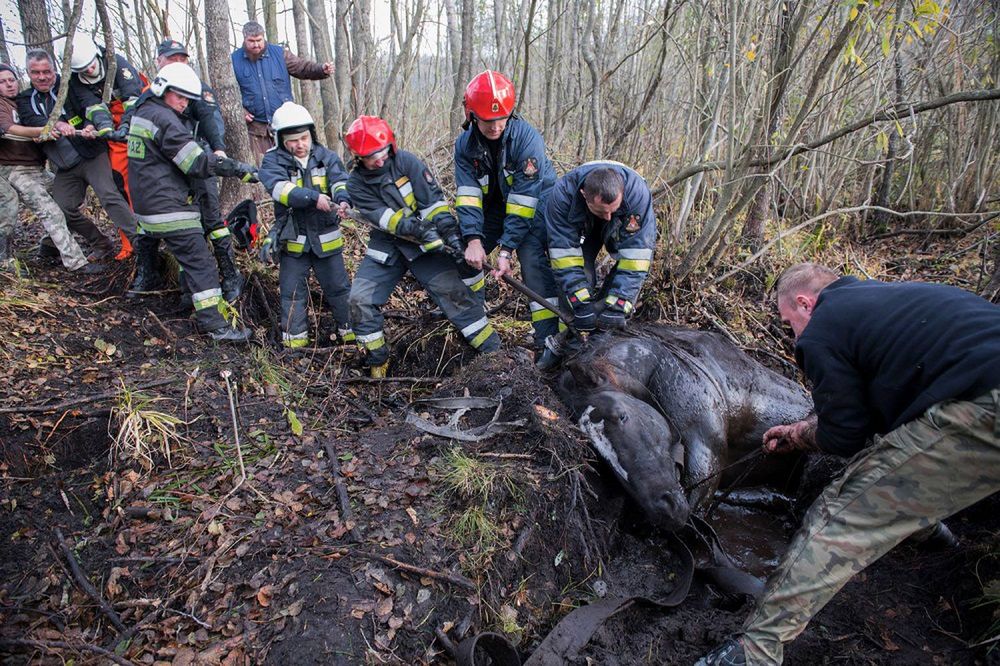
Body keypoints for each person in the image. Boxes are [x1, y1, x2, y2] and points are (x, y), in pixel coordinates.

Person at [696, 263, 1000, 666]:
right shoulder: (888, 300)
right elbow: (876, 415)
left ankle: (754, 651)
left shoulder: (823, 329)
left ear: (805, 303)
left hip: (984, 409)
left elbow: (845, 438)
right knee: (897, 458)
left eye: (789, 324)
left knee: (839, 516)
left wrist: (802, 437)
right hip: (982, 389)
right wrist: (802, 428)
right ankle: (932, 535)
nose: (793, 336)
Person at [343, 115, 499, 377]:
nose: (379, 160)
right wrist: (417, 229)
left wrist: (447, 231)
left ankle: (494, 355)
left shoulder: (407, 162)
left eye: (382, 152)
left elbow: (433, 203)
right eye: (371, 156)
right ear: (358, 157)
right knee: (359, 300)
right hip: (388, 248)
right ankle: (378, 360)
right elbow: (386, 220)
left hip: (426, 248)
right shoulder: (356, 184)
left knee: (456, 298)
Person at [126, 62, 257, 342]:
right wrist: (235, 168)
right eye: (180, 97)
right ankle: (216, 326)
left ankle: (188, 298)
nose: (184, 104)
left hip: (147, 209)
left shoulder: (142, 112)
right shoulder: (165, 120)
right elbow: (195, 162)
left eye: (188, 99)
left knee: (187, 254)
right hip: (168, 207)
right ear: (162, 89)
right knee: (202, 264)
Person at [454, 70, 561, 353]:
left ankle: (547, 342)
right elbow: (468, 196)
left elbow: (524, 200)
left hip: (535, 205)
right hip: (494, 208)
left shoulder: (528, 140)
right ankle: (474, 320)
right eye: (488, 120)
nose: (496, 126)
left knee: (533, 263)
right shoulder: (464, 146)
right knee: (464, 258)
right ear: (471, 115)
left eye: (502, 118)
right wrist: (473, 239)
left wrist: (506, 250)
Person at [17, 49, 134, 264]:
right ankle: (100, 243)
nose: (42, 77)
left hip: (91, 154)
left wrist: (90, 125)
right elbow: (29, 119)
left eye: (47, 71)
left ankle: (140, 243)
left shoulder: (70, 85)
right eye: (35, 72)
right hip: (64, 165)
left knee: (109, 195)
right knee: (62, 208)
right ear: (28, 73)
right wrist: (55, 124)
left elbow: (88, 108)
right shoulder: (25, 99)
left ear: (54, 70)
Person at [537, 161, 656, 369]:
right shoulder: (562, 196)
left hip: (621, 230)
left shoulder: (637, 194)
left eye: (612, 209)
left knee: (617, 300)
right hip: (582, 229)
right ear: (584, 194)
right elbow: (565, 261)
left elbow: (636, 260)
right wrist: (580, 305)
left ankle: (602, 350)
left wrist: (619, 305)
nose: (608, 216)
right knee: (579, 285)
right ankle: (569, 351)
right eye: (603, 212)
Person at [257, 102, 354, 349]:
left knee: (340, 290)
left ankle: (351, 337)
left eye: (304, 137)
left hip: (326, 238)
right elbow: (280, 190)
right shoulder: (272, 162)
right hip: (294, 242)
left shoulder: (328, 157)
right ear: (280, 140)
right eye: (293, 140)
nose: (300, 144)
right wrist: (313, 198)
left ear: (311, 134)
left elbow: (340, 181)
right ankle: (295, 347)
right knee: (292, 294)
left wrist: (342, 199)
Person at [0, 64, 101, 275]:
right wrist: (46, 129)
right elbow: (10, 130)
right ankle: (76, 263)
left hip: (37, 167)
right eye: (2, 82)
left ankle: (49, 246)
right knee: (49, 210)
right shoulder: (1, 106)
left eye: (11, 80)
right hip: (14, 168)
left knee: (65, 201)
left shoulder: (24, 102)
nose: (9, 85)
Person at [67, 33, 145, 257]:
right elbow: (92, 107)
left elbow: (134, 97)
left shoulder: (117, 63)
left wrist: (127, 126)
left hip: (138, 122)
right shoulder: (75, 81)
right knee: (120, 183)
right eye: (84, 69)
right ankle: (131, 241)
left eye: (91, 66)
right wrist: (106, 128)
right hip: (112, 135)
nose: (90, 71)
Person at [231, 21, 334, 163]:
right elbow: (227, 94)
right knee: (261, 171)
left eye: (259, 40)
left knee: (291, 165)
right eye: (251, 41)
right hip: (255, 130)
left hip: (284, 125)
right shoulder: (233, 60)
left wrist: (321, 69)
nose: (256, 45)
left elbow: (302, 68)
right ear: (244, 38)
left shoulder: (280, 54)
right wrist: (239, 110)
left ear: (264, 37)